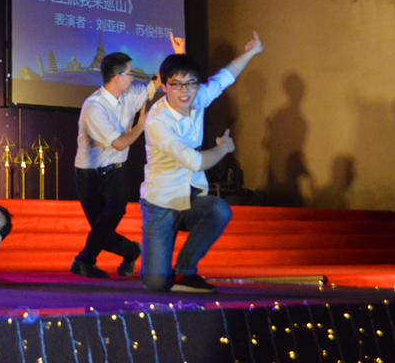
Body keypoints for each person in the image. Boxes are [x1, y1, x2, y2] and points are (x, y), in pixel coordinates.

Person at [140, 31, 264, 293]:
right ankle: (159, 246)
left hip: (191, 197)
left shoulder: (197, 98)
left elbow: (224, 78)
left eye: (191, 84)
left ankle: (186, 271)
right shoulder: (158, 121)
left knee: (219, 210)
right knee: (156, 284)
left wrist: (252, 52)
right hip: (161, 202)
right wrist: (224, 148)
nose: (184, 92)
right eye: (176, 84)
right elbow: (195, 162)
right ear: (164, 86)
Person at [70, 52, 147, 279]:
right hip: (89, 175)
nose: (133, 78)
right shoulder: (94, 106)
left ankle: (85, 260)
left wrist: (179, 52)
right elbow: (119, 143)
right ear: (117, 77)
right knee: (101, 230)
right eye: (130, 74)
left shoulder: (130, 95)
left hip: (116, 171)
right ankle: (132, 251)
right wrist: (140, 126)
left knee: (115, 211)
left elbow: (156, 82)